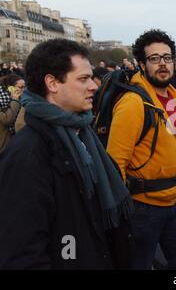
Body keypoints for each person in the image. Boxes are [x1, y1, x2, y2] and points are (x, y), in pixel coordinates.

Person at [0, 39, 133, 269]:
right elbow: (22, 254)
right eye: (83, 79)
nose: (94, 86)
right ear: (52, 83)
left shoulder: (82, 133)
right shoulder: (28, 154)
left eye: (91, 77)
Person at [106, 29, 176, 270]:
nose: (163, 64)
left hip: (175, 202)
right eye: (154, 59)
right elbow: (115, 166)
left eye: (167, 58)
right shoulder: (132, 104)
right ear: (142, 64)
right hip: (141, 207)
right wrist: (125, 215)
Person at [0, 74, 24, 152]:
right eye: (21, 87)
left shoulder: (22, 98)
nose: (23, 90)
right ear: (10, 88)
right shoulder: (3, 99)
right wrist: (15, 100)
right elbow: (7, 119)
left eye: (24, 87)